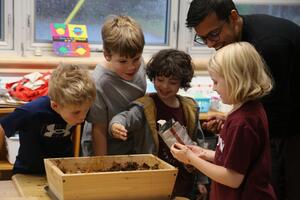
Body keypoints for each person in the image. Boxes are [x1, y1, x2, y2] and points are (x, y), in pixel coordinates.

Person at [186, 1, 300, 199]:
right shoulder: (238, 44)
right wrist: (231, 121)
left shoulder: (269, 45)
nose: (211, 44)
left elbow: (273, 115)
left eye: (213, 34)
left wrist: (235, 126)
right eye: (203, 38)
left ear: (233, 17)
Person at [170, 42, 276, 200]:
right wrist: (204, 154)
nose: (214, 88)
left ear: (236, 80)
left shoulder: (242, 123)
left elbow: (232, 178)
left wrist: (191, 159)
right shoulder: (246, 110)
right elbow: (235, 159)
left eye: (216, 82)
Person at [109, 49, 207, 199]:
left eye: (172, 82)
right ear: (153, 78)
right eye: (160, 80)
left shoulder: (190, 108)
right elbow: (125, 118)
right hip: (152, 183)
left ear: (182, 83)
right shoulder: (146, 106)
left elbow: (200, 147)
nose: (165, 86)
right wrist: (116, 125)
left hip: (184, 182)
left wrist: (201, 180)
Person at [0, 64, 96, 174]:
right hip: (29, 172)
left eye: (86, 110)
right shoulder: (31, 111)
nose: (83, 117)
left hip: (61, 170)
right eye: (76, 113)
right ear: (56, 106)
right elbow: (2, 126)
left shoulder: (78, 107)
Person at [81, 15, 146, 156]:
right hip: (103, 145)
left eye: (136, 59)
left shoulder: (140, 64)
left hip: (130, 141)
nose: (131, 67)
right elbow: (98, 129)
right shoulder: (99, 82)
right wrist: (102, 166)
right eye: (123, 62)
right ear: (107, 55)